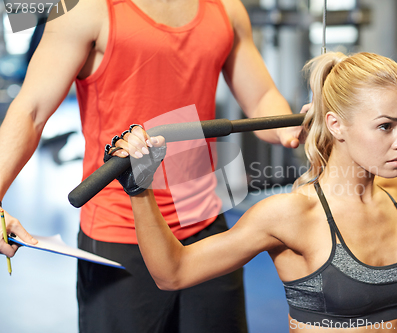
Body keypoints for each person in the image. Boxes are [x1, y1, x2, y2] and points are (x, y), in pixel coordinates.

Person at [0, 0, 305, 331]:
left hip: (204, 223)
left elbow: (261, 98)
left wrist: (290, 127)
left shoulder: (226, 8)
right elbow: (30, 112)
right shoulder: (86, 8)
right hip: (120, 232)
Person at [108, 51, 397, 332]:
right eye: (385, 126)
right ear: (336, 124)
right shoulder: (291, 215)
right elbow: (174, 273)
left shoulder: (392, 190)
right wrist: (140, 189)